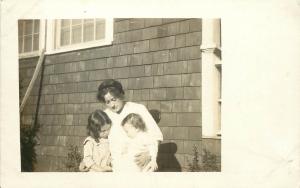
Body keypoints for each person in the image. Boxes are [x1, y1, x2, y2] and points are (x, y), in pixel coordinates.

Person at [97, 79, 163, 172]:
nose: (112, 105)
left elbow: (156, 136)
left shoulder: (138, 109)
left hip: (139, 167)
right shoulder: (105, 115)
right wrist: (87, 160)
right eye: (107, 102)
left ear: (121, 95)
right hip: (117, 167)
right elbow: (97, 140)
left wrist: (149, 154)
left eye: (114, 100)